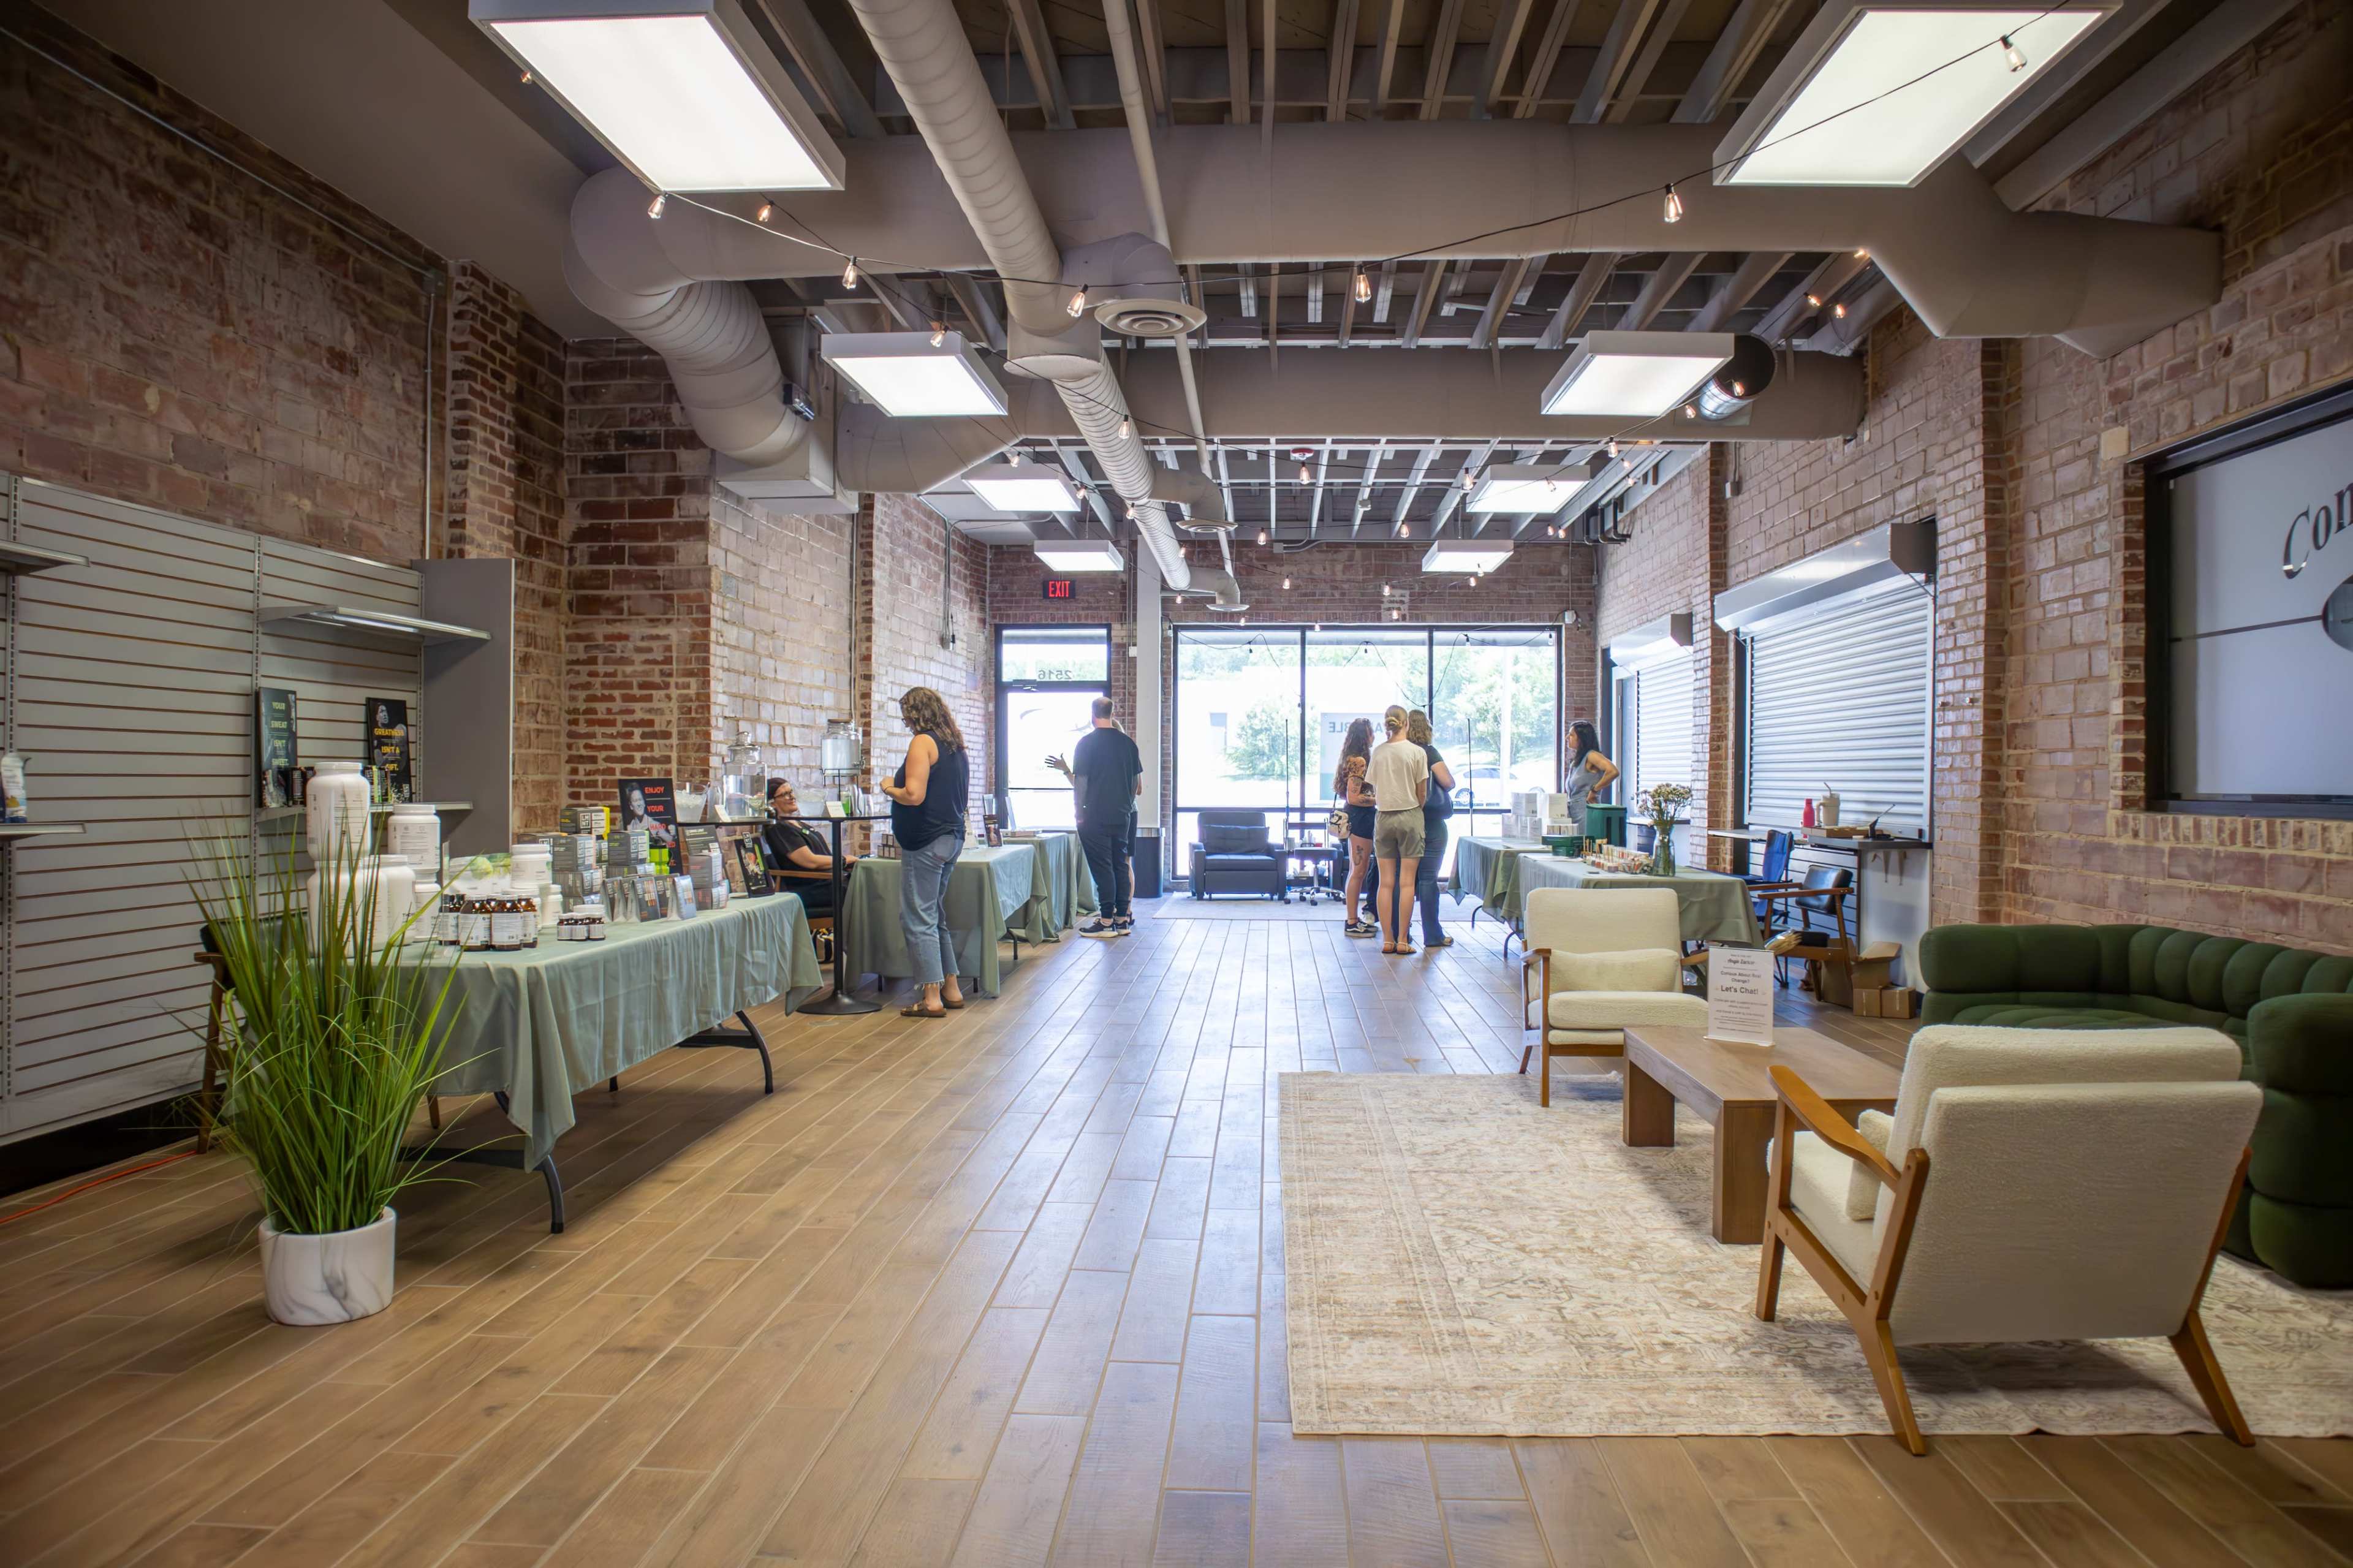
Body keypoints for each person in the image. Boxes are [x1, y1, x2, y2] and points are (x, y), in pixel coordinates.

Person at [879, 687, 971, 1019]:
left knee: (918, 918)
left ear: (916, 713)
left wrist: (888, 786)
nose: (905, 722)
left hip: (926, 842)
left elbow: (914, 795)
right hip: (952, 838)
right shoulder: (954, 745)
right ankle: (951, 989)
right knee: (935, 916)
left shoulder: (923, 742)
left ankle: (931, 997)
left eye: (907, 714)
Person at [1049, 696, 1143, 938]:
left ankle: (1105, 921)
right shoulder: (1128, 744)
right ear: (1112, 714)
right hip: (1122, 816)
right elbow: (1135, 784)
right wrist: (1123, 805)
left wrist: (1079, 813)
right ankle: (1122, 920)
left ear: (1092, 716)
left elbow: (1081, 783)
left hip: (1094, 817)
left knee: (1103, 869)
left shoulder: (1086, 744)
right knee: (1120, 865)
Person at [1366, 705, 1430, 955]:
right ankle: (1403, 940)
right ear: (1407, 724)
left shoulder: (1379, 753)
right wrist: (1415, 809)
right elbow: (1421, 791)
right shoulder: (1417, 752)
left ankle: (1387, 940)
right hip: (1411, 814)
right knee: (1407, 884)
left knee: (1386, 883)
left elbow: (1373, 787)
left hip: (1383, 817)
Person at [760, 778, 851, 917]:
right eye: (785, 794)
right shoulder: (779, 828)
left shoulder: (798, 824)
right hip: (811, 886)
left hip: (828, 880)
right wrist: (844, 860)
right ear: (772, 803)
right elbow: (810, 861)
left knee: (863, 881)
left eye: (791, 792)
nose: (792, 797)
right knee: (859, 889)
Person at [1405, 710, 1456, 950]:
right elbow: (1448, 782)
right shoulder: (1429, 752)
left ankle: (1400, 934)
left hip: (1404, 820)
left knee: (1401, 879)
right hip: (1431, 823)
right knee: (1427, 880)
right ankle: (1433, 935)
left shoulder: (1400, 752)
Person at [1333, 718, 1377, 936]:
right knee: (1358, 871)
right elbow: (1353, 797)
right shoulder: (1359, 761)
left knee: (1356, 871)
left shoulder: (1350, 759)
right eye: (1371, 732)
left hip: (1358, 817)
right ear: (1365, 736)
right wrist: (1377, 800)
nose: (1374, 736)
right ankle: (1351, 921)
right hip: (1361, 818)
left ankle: (1353, 919)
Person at [1564, 720, 1622, 835]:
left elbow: (1613, 771)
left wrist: (1595, 790)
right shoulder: (1577, 761)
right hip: (1574, 813)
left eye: (1571, 735)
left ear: (1581, 738)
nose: (1567, 738)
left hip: (1586, 813)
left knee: (1587, 846)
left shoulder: (1592, 755)